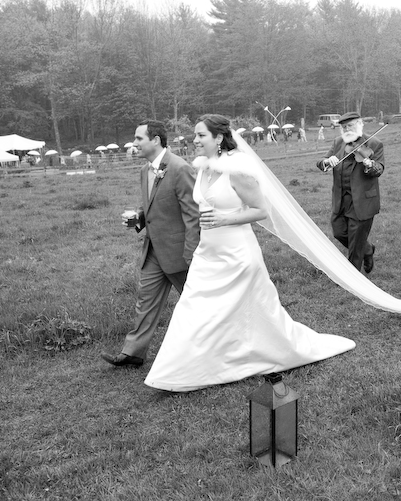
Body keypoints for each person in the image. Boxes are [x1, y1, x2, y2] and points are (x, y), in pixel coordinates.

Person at [143, 115, 355, 392]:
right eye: (194, 136)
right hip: (207, 253)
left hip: (237, 255)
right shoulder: (203, 168)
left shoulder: (237, 169)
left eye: (200, 135)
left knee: (249, 311)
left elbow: (260, 210)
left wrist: (224, 220)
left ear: (218, 138)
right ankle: (181, 371)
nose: (194, 141)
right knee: (193, 308)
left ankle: (258, 353)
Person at [100, 119, 201, 368]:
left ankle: (217, 348)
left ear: (155, 140)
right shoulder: (145, 170)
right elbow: (154, 204)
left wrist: (192, 254)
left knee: (198, 303)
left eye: (138, 139)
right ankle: (133, 352)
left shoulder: (180, 168)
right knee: (145, 301)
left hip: (180, 253)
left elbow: (192, 215)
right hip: (153, 250)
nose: (134, 144)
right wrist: (139, 218)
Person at [316, 111, 384, 273]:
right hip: (341, 200)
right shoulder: (339, 142)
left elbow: (379, 168)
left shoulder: (374, 143)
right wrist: (327, 161)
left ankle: (353, 279)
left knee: (355, 246)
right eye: (344, 127)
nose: (347, 129)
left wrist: (370, 165)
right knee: (339, 232)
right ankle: (367, 250)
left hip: (362, 201)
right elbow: (321, 163)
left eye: (351, 125)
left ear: (360, 124)